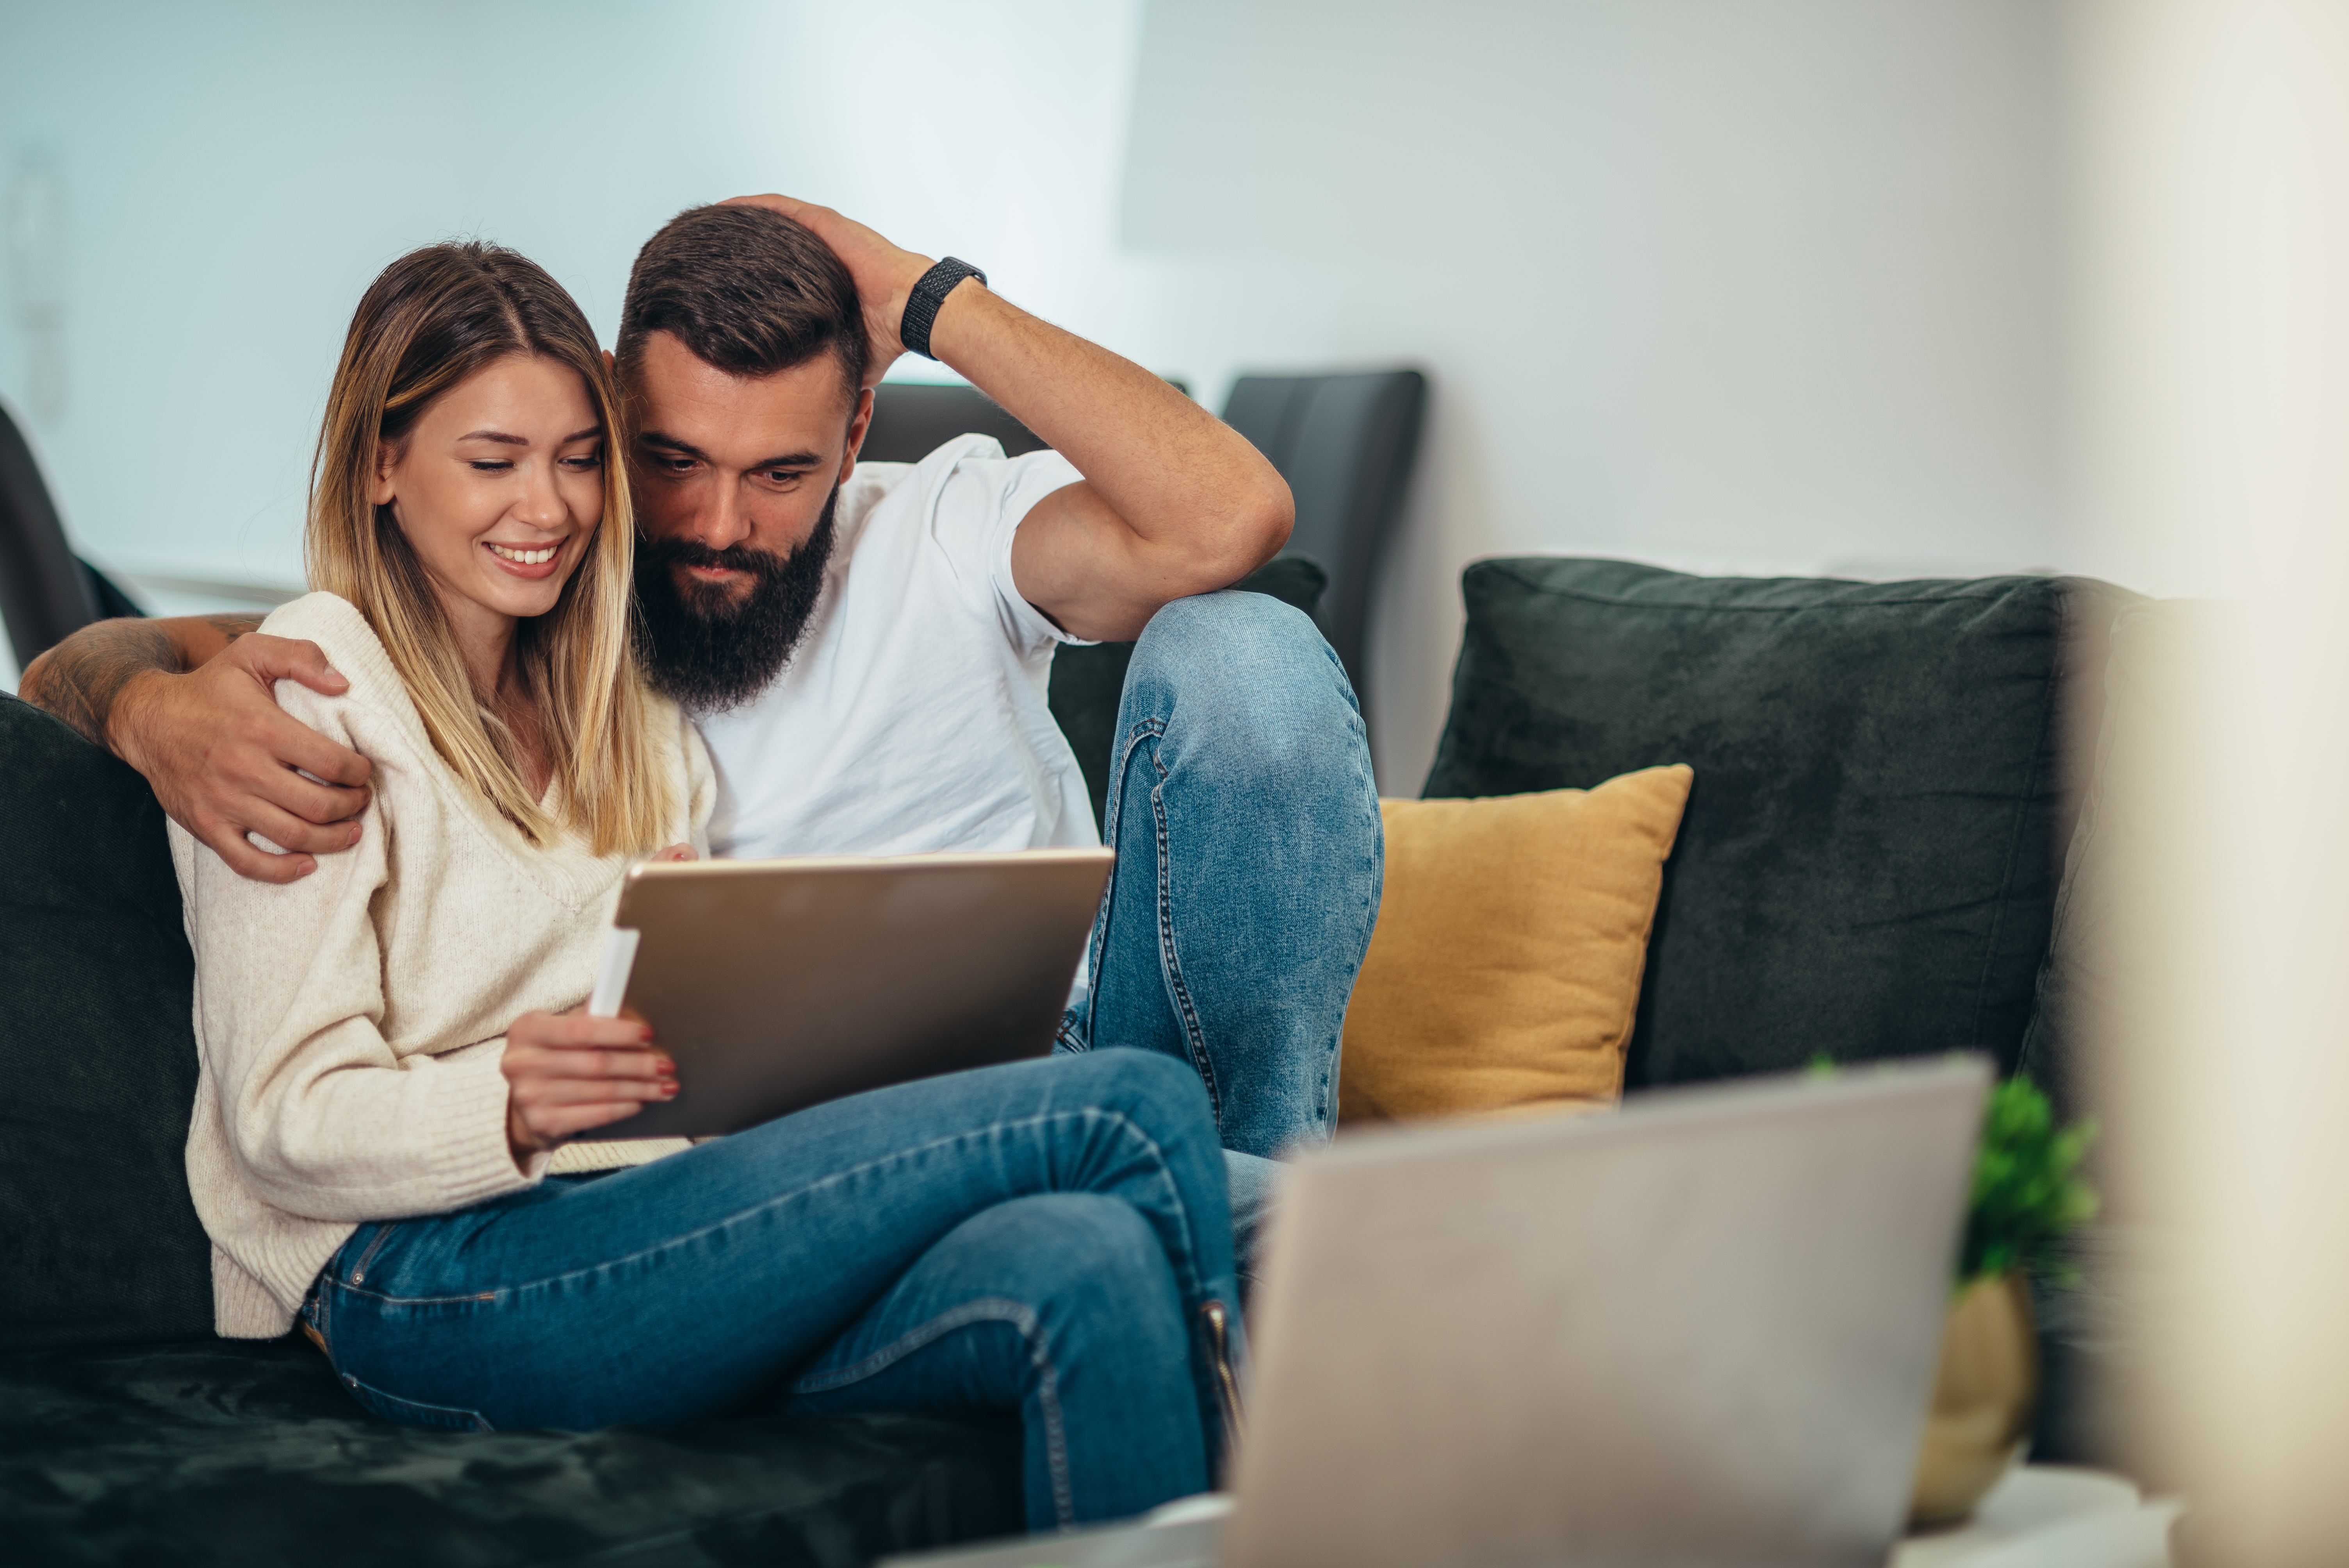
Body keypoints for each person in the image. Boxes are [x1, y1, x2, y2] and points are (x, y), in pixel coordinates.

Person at [21, 196, 1384, 1246]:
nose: (720, 527)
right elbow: (106, 659)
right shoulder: (542, 590)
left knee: (1248, 646)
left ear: (854, 435)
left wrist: (921, 293)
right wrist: (145, 710)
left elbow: (1232, 518)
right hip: (818, 1135)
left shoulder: (936, 529)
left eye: (781, 473)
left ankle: (1258, 1187)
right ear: (611, 414)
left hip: (1079, 1046)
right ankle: (1254, 1239)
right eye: (671, 461)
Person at [164, 239, 1242, 1531]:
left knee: (1083, 1266)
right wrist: (501, 1106)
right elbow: (279, 1119)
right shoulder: (309, 695)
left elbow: (645, 1065)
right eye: (492, 460)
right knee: (1124, 1103)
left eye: (577, 458)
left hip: (640, 1212)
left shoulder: (624, 706)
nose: (547, 507)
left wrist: (728, 1016)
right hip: (421, 1268)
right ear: (383, 464)